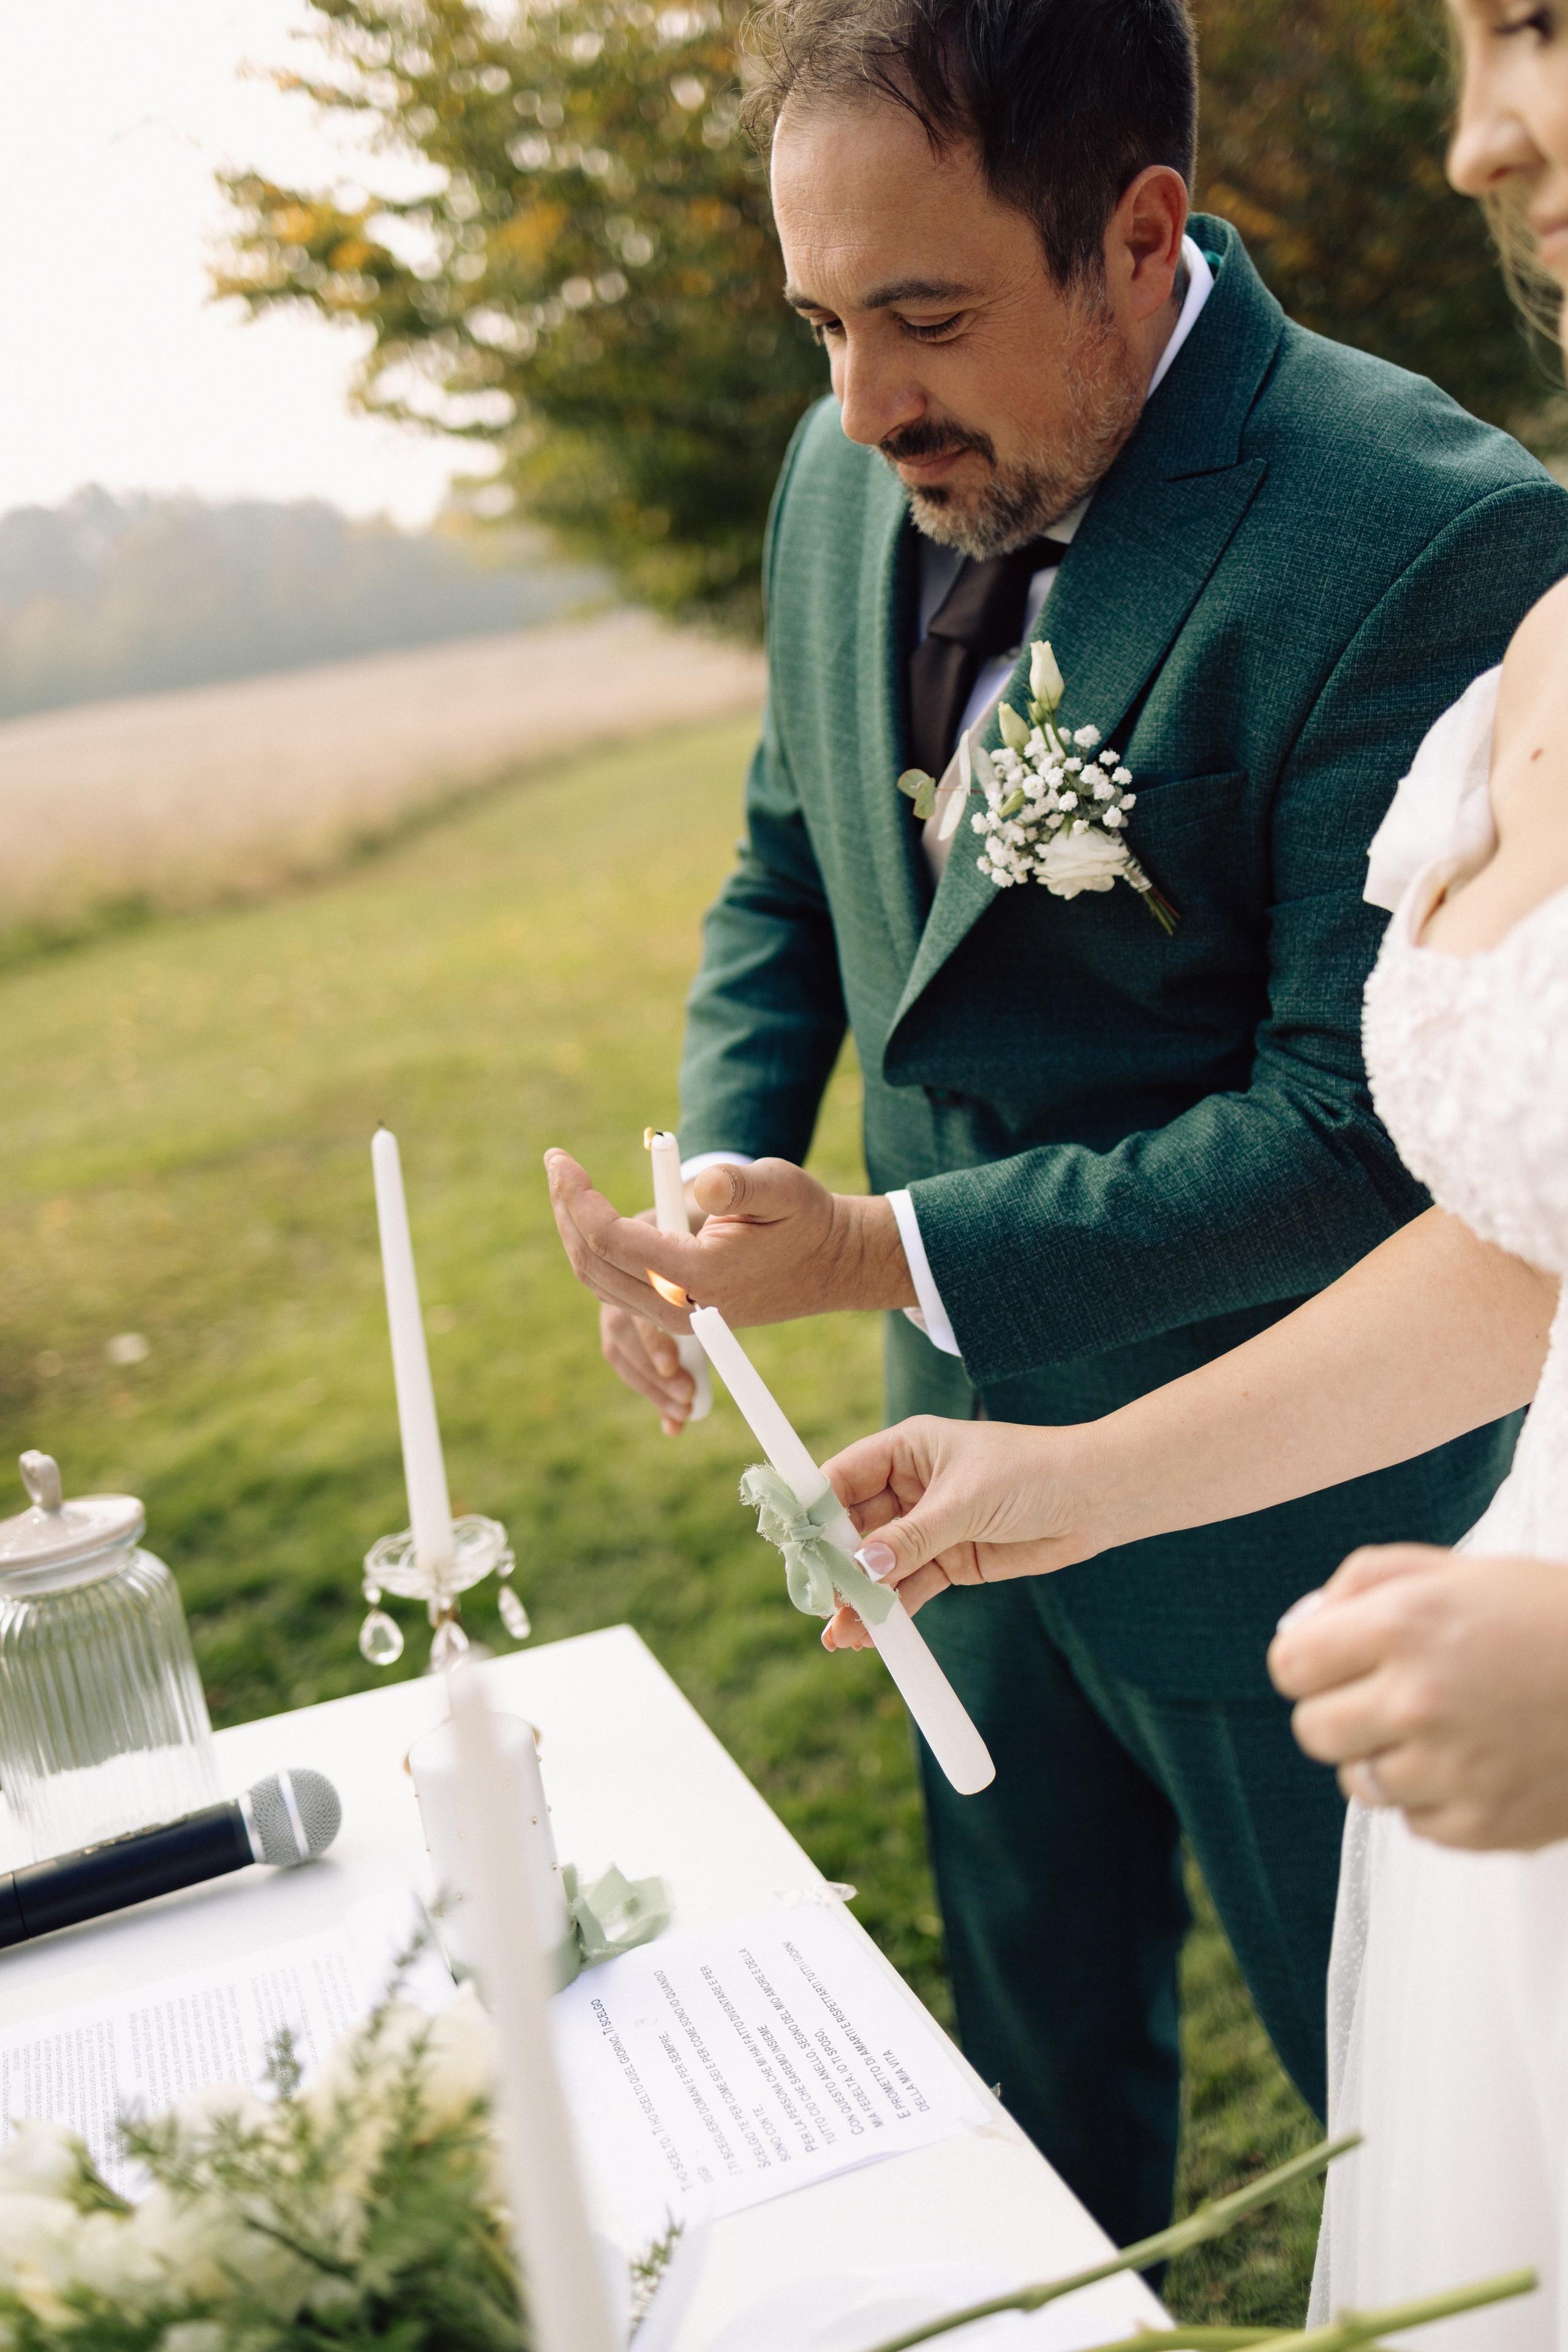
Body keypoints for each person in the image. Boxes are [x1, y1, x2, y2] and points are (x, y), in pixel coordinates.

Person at [545, 0, 1568, 2252]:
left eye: (923, 316)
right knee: (1028, 2062)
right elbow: (791, 864)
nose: (862, 399)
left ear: (1135, 236)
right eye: (819, 318)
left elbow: (1355, 1127)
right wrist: (717, 1182)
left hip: (1308, 1512)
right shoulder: (847, 472)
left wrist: (887, 1246)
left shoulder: (1431, 537)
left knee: (1413, 2124)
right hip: (954, 1475)